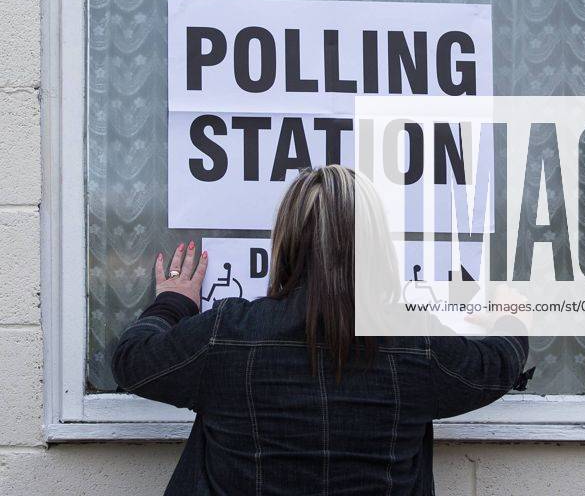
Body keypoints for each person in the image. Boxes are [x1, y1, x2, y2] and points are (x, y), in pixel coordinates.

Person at [112, 165, 530, 495]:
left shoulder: (225, 335)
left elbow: (132, 362)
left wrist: (175, 301)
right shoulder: (416, 342)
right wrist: (509, 317)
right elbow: (495, 366)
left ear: (285, 242)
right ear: (378, 244)